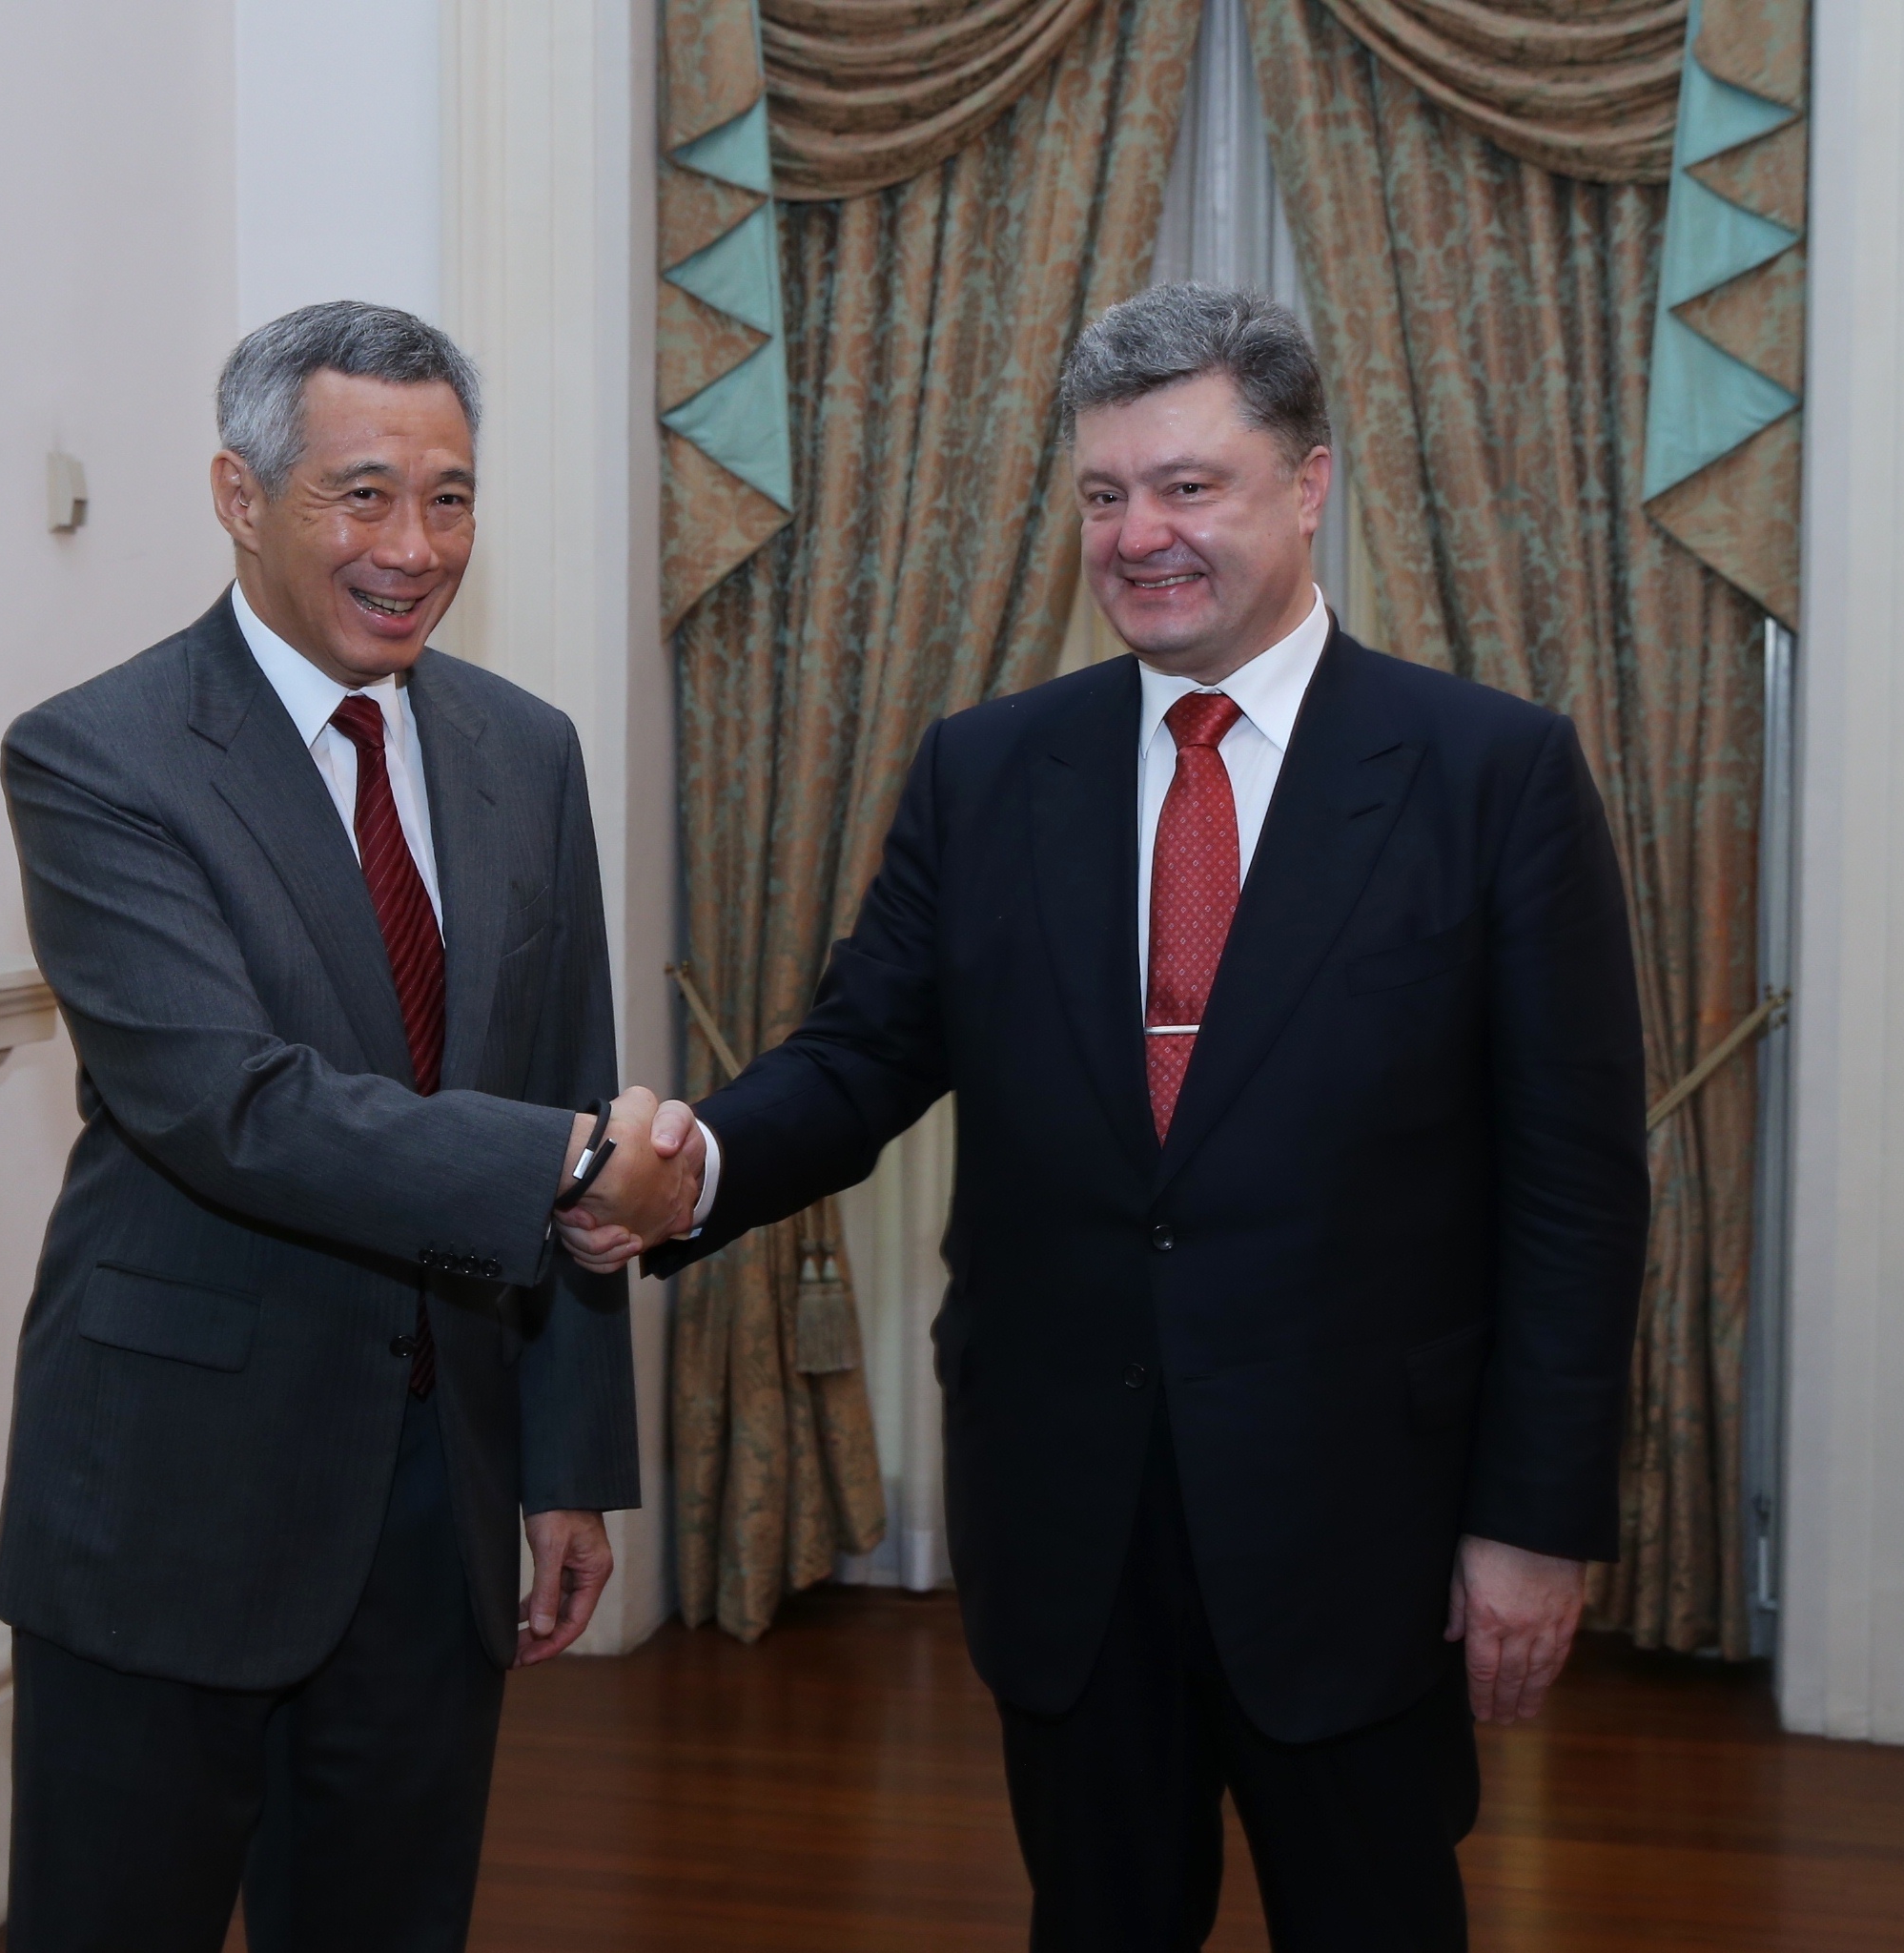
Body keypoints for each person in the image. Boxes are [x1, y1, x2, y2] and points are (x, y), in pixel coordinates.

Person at [581, 283, 1648, 1949]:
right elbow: (861, 1055)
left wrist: (1530, 1523)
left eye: (1188, 486)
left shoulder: (1488, 774)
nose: (1138, 534)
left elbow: (1575, 1192)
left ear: (1307, 486)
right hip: (1067, 1518)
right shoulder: (989, 770)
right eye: (1102, 495)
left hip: (1356, 1531)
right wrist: (690, 1164)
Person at [0, 300, 706, 1952]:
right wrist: (569, 1168)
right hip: (166, 1499)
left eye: (449, 497)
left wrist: (568, 1468)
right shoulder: (98, 757)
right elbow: (226, 1104)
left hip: (429, 1507)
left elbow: (566, 1075)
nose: (415, 546)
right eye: (362, 494)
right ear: (242, 497)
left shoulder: (525, 751)